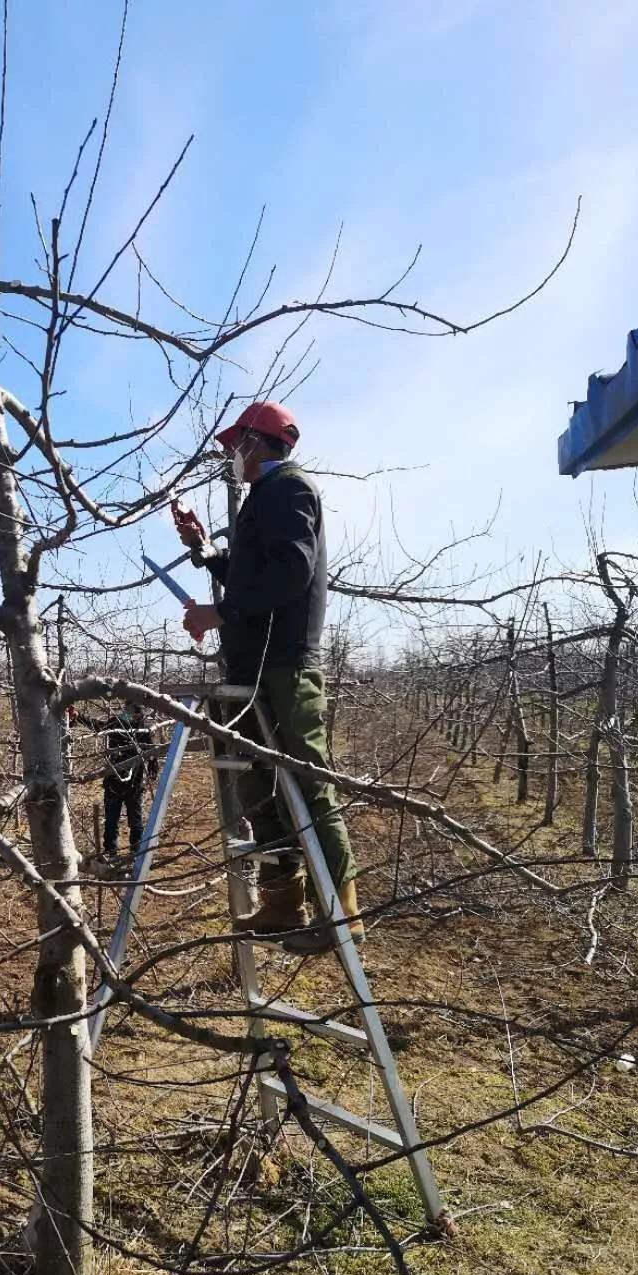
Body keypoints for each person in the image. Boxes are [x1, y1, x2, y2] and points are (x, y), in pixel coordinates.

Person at [171, 400, 362, 948]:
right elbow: (253, 574)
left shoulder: (290, 490)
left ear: (257, 441)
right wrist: (206, 550)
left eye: (235, 444)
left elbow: (291, 572)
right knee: (259, 782)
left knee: (306, 780)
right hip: (257, 664)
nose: (230, 454)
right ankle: (285, 901)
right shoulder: (265, 498)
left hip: (284, 664)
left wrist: (221, 612)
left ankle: (340, 917)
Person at [68, 703, 159, 861]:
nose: (136, 714)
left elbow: (151, 751)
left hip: (134, 783)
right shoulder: (117, 723)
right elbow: (97, 726)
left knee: (134, 821)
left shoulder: (143, 728)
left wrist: (153, 763)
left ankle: (136, 854)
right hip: (114, 781)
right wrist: (78, 716)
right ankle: (111, 853)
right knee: (112, 821)